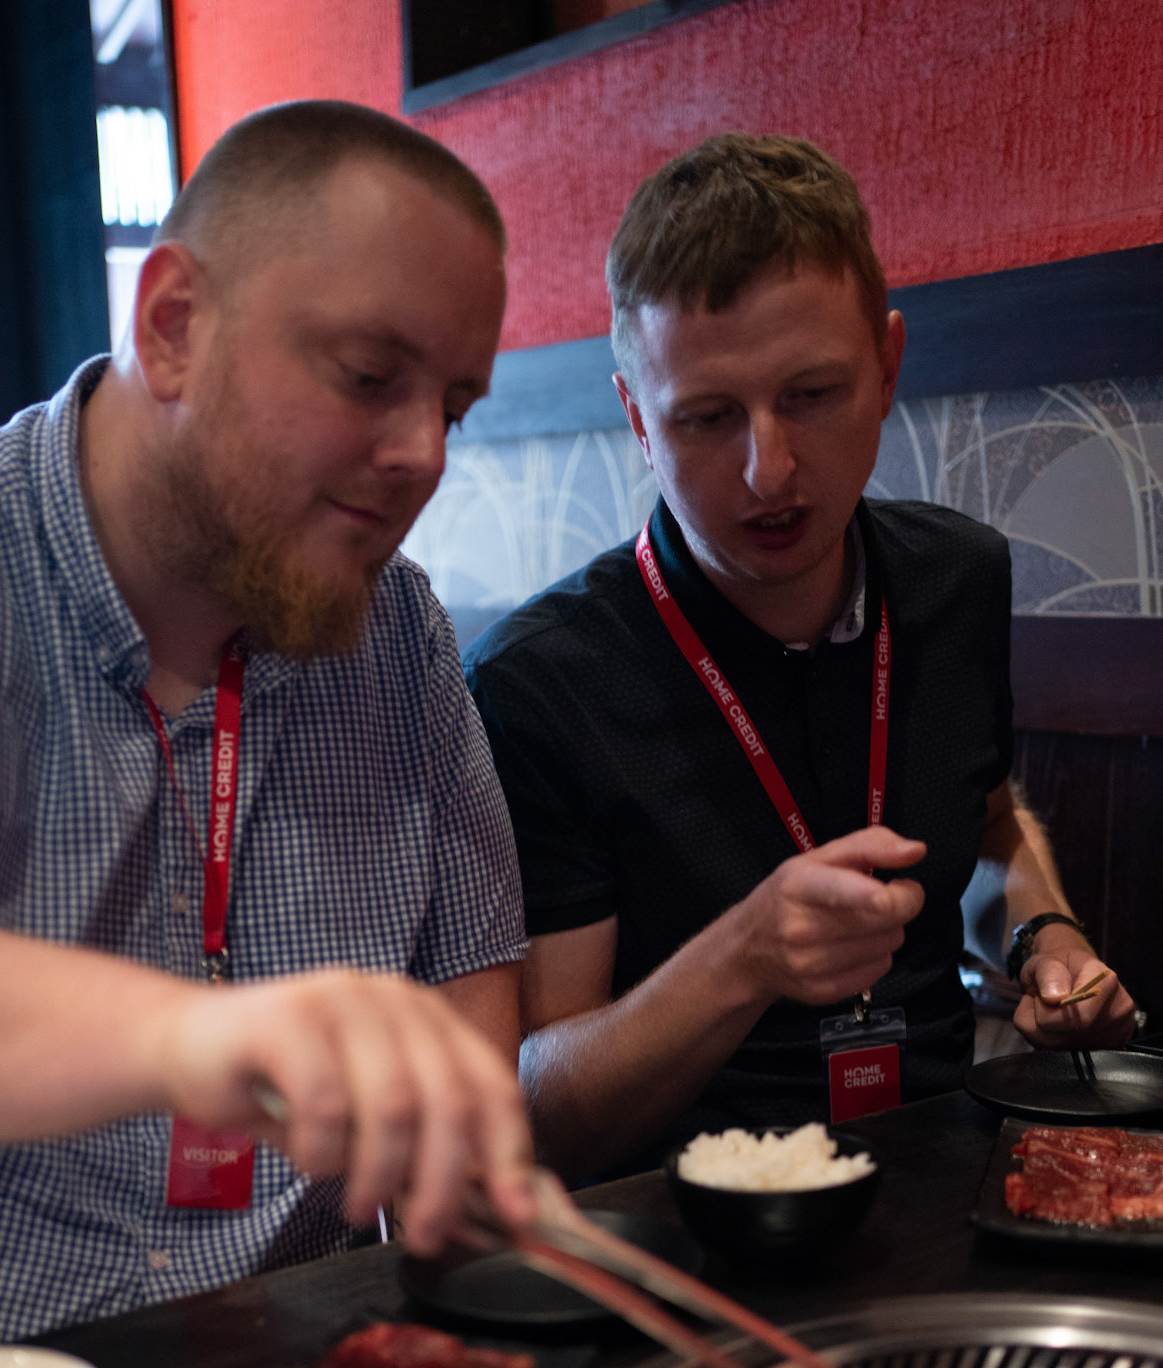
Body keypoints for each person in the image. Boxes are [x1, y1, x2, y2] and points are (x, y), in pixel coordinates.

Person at [0, 101, 537, 1368]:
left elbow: (474, 1004)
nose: (423, 455)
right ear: (174, 324)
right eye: (371, 378)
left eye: (455, 407)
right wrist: (187, 1039)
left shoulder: (395, 632)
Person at [466, 133, 1135, 1182]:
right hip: (683, 1213)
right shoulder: (540, 681)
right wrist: (743, 956)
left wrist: (1043, 936)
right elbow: (543, 1114)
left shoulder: (958, 577)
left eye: (811, 395)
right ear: (637, 416)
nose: (767, 470)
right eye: (707, 417)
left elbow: (982, 814)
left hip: (942, 1161)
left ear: (887, 365)